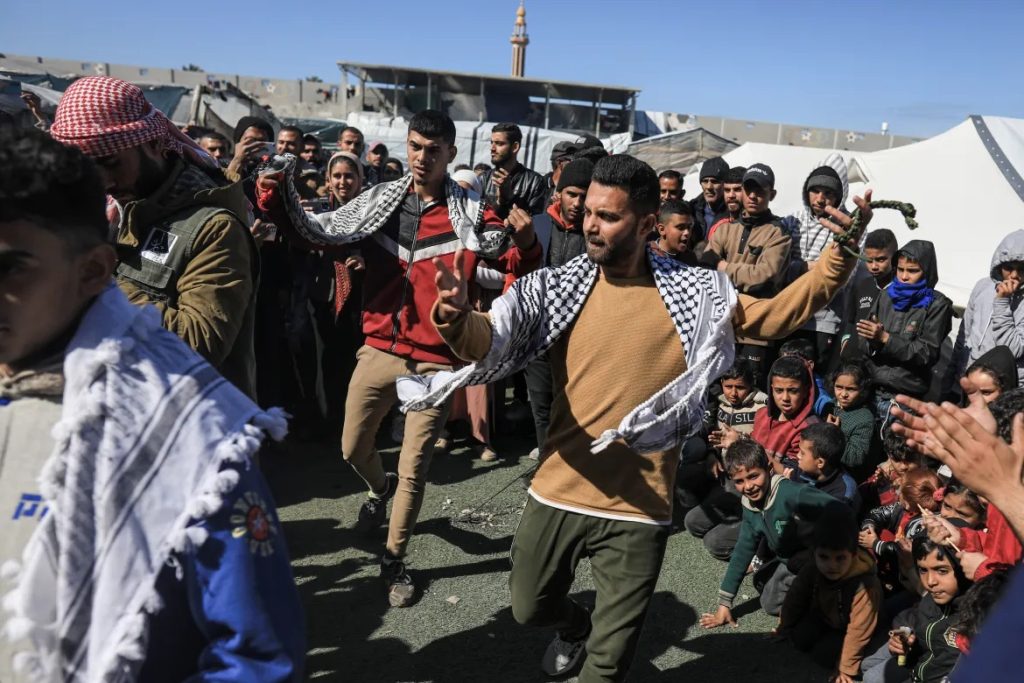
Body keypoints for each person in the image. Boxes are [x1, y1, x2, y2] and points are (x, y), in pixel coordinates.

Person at [417, 153, 874, 679]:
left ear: (646, 224)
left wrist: (840, 255)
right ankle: (574, 626)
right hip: (560, 485)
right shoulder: (559, 287)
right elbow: (489, 340)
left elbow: (775, 317)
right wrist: (454, 320)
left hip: (639, 508)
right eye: (589, 211)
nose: (591, 223)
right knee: (529, 607)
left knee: (607, 668)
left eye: (608, 216)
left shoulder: (696, 295)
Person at [0, 127, 304, 682]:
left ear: (93, 269)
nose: (106, 180)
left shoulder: (200, 445)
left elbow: (254, 658)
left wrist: (123, 297)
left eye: (11, 268)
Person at [257, 110, 542, 608]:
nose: (421, 157)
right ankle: (378, 488)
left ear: (450, 154)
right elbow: (313, 231)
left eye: (433, 149)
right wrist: (272, 196)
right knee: (351, 448)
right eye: (414, 146)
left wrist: (528, 241)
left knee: (416, 468)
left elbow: (514, 265)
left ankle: (394, 558)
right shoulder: (378, 203)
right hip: (378, 350)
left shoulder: (476, 214)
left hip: (436, 362)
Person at [49, 76, 259, 398]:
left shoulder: (213, 228)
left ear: (153, 144)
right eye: (88, 168)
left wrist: (96, 280)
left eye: (110, 163)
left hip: (183, 424)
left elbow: (200, 342)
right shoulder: (106, 210)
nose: (102, 181)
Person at [700, 440, 847, 627]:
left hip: (816, 559)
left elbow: (841, 511)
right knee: (763, 587)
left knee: (774, 604)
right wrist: (724, 603)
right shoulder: (750, 504)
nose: (748, 487)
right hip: (790, 559)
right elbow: (743, 549)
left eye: (753, 476)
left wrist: (829, 551)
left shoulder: (791, 493)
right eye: (739, 481)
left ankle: (829, 603)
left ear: (769, 468)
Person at [524, 158, 593, 458]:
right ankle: (546, 466)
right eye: (572, 194)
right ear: (558, 193)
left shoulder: (596, 236)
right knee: (541, 406)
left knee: (574, 409)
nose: (577, 203)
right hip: (538, 335)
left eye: (584, 196)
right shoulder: (536, 225)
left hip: (579, 339)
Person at [701, 163, 794, 386]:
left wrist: (723, 266)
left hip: (757, 332)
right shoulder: (725, 229)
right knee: (715, 391)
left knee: (751, 393)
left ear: (772, 194)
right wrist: (738, 272)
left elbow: (763, 276)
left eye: (760, 191)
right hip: (720, 327)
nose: (753, 196)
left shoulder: (778, 234)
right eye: (748, 189)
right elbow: (705, 267)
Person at [777, 509, 882, 683]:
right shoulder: (813, 567)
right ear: (814, 553)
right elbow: (797, 594)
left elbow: (859, 629)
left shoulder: (866, 586)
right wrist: (783, 625)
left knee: (823, 655)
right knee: (798, 638)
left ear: (854, 555)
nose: (831, 565)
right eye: (824, 557)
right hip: (825, 615)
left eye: (840, 558)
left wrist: (846, 669)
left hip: (848, 627)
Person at [850, 240, 953, 412]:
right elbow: (864, 338)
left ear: (926, 271)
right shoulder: (886, 295)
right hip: (871, 389)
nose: (904, 277)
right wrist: (873, 341)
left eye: (913, 271)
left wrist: (886, 339)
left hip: (905, 397)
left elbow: (926, 353)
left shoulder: (937, 305)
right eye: (900, 269)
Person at [686, 362, 767, 561]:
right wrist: (712, 456)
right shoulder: (721, 403)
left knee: (714, 543)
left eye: (739, 387)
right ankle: (735, 514)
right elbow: (716, 438)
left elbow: (767, 449)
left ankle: (758, 541)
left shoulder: (763, 406)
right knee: (692, 523)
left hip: (750, 481)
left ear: (751, 384)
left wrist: (741, 441)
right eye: (728, 386)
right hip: (727, 479)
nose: (733, 393)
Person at [859, 537, 968, 683]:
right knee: (867, 665)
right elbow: (921, 636)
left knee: (871, 677)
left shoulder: (974, 616)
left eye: (942, 570)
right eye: (923, 570)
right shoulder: (930, 600)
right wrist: (905, 641)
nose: (930, 582)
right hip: (916, 668)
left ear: (963, 568)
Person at [784, 158, 854, 369]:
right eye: (815, 190)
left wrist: (803, 266)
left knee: (817, 379)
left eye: (828, 193)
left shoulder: (850, 225)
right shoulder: (792, 220)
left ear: (840, 196)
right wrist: (811, 266)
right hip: (789, 313)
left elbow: (845, 273)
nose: (820, 198)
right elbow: (777, 265)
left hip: (825, 319)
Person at [953, 229, 1024, 388]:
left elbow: (1013, 349)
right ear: (999, 266)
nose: (1014, 275)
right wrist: (950, 381)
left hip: (1006, 391)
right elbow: (964, 337)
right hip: (970, 382)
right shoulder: (982, 287)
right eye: (1008, 267)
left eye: (1021, 269)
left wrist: (1001, 302)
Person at [751, 356, 822, 478]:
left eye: (793, 391)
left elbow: (796, 473)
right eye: (779, 390)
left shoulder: (810, 429)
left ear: (806, 391)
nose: (785, 398)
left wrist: (747, 446)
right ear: (771, 388)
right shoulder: (762, 414)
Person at [840, 228, 898, 357]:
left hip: (880, 364)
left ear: (895, 257)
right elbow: (850, 320)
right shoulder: (863, 285)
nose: (874, 266)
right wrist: (846, 342)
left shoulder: (903, 291)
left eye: (881, 260)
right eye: (869, 260)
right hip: (851, 361)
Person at [480, 122, 548, 217]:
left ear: (515, 147)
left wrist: (509, 198)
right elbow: (477, 218)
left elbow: (534, 222)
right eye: (492, 143)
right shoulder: (483, 179)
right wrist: (500, 202)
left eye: (499, 143)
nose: (492, 148)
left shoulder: (535, 182)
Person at [829, 363, 877, 480]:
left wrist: (834, 433)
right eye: (839, 387)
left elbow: (855, 458)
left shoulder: (865, 419)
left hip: (841, 477)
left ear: (863, 390)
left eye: (851, 389)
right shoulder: (831, 405)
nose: (844, 394)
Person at [797, 422, 861, 509]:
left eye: (802, 453)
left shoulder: (842, 495)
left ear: (820, 462)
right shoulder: (806, 468)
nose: (798, 455)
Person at [689, 157, 728, 242]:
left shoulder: (734, 213)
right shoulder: (691, 209)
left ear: (724, 184)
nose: (709, 187)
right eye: (705, 181)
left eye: (714, 181)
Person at [226, 115, 275, 182]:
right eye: (250, 140)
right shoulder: (221, 165)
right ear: (238, 142)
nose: (255, 146)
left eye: (261, 142)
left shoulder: (275, 171)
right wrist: (237, 162)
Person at [652, 199, 698, 266]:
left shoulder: (690, 259)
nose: (687, 232)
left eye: (689, 227)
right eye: (680, 228)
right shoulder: (648, 256)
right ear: (662, 230)